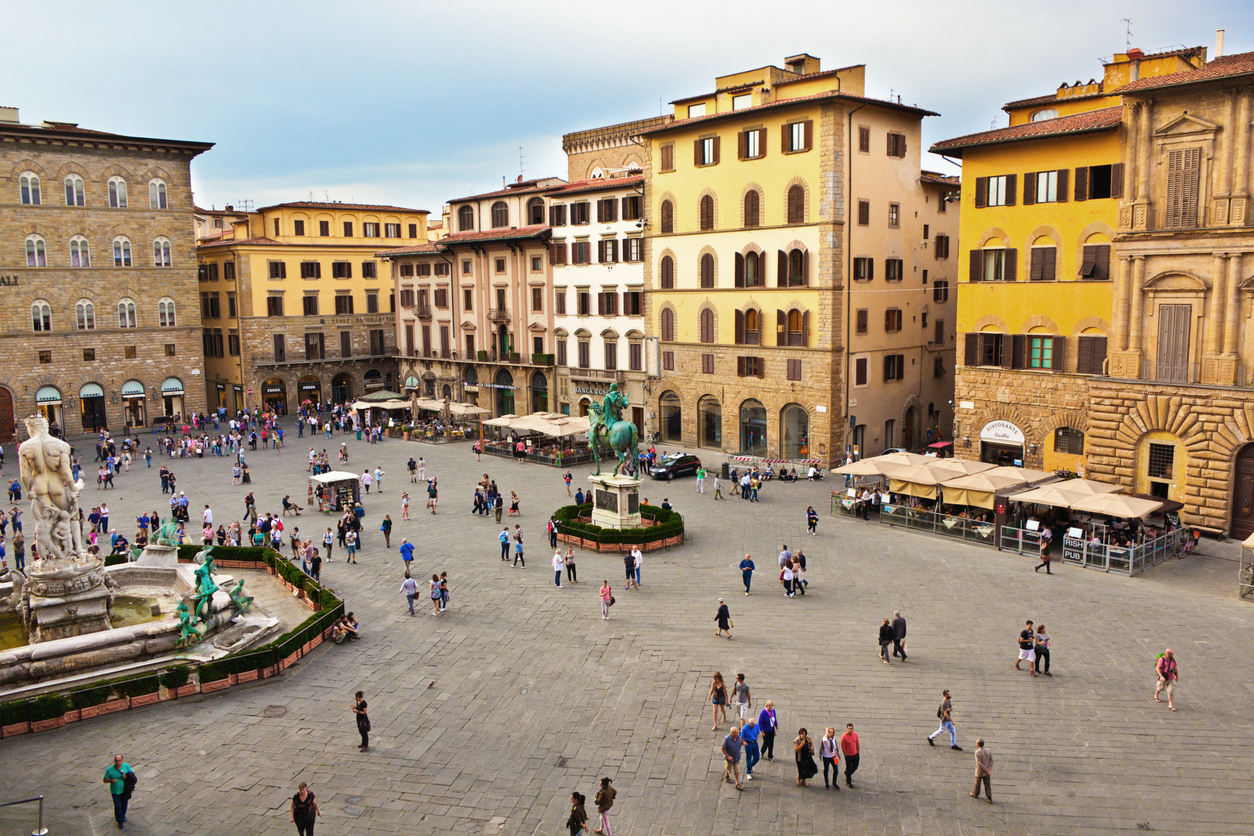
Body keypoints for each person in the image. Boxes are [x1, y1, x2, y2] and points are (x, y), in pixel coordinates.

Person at [103, 753, 136, 829]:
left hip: (124, 790)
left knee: (124, 805)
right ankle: (119, 821)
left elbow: (132, 775)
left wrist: (126, 776)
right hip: (115, 791)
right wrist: (111, 780)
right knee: (118, 806)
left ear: (122, 760)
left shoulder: (126, 766)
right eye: (116, 761)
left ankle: (123, 815)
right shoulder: (109, 769)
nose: (118, 762)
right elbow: (105, 780)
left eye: (119, 761)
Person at [970, 738, 994, 803]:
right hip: (987, 772)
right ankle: (989, 797)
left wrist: (984, 769)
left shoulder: (977, 752)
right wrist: (989, 768)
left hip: (980, 771)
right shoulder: (988, 750)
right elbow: (991, 760)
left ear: (978, 744)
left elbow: (979, 763)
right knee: (987, 784)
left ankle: (976, 793)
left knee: (977, 783)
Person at [740, 717, 761, 781]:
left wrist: (756, 739)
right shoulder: (745, 728)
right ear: (749, 723)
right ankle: (748, 772)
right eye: (752, 724)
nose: (753, 726)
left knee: (757, 757)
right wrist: (744, 742)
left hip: (754, 743)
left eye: (754, 724)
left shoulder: (756, 726)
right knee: (748, 757)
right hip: (748, 743)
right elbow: (742, 736)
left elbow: (757, 733)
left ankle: (750, 765)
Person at [840, 723, 860, 788]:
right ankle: (848, 781)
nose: (850, 730)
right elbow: (843, 748)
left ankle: (847, 773)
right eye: (849, 728)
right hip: (849, 755)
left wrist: (857, 752)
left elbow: (857, 744)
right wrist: (846, 755)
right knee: (848, 768)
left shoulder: (855, 734)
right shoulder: (844, 737)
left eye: (851, 728)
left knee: (855, 766)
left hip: (855, 754)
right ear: (847, 729)